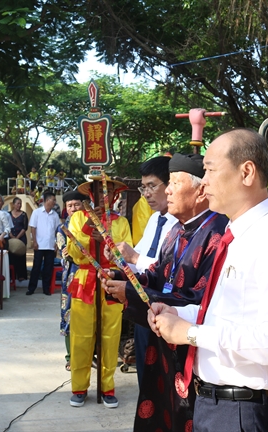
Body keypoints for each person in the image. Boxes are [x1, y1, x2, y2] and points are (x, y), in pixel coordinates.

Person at [146, 128, 268, 432]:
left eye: (209, 169)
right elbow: (227, 316)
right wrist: (179, 315)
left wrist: (192, 333)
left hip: (242, 412)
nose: (203, 181)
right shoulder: (236, 236)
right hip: (214, 404)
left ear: (246, 172)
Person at [103, 153, 228, 431]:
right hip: (164, 346)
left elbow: (199, 299)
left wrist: (133, 294)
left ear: (200, 190)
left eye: (173, 182)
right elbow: (157, 275)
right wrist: (120, 278)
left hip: (192, 354)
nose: (166, 190)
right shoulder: (176, 231)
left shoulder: (218, 234)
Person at [113, 156, 179, 390]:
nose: (147, 193)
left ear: (171, 185)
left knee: (166, 380)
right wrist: (119, 265)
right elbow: (136, 260)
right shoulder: (154, 220)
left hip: (167, 306)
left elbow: (169, 270)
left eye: (152, 186)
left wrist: (133, 258)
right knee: (146, 376)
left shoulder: (181, 224)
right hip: (145, 305)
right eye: (144, 187)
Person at [66, 177, 131, 409]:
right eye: (100, 191)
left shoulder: (120, 221)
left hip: (110, 281)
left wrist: (107, 242)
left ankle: (107, 387)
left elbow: (125, 256)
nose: (105, 196)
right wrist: (86, 233)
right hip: (85, 280)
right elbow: (73, 252)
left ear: (115, 195)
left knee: (110, 335)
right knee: (81, 337)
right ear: (91, 194)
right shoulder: (77, 217)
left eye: (109, 191)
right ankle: (79, 387)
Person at [55, 190, 86, 371]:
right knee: (70, 316)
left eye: (77, 204)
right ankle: (70, 357)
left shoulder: (90, 226)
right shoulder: (62, 229)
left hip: (90, 276)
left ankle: (89, 354)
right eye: (70, 206)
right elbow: (67, 254)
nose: (73, 209)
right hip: (71, 279)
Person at [26, 191, 60, 295]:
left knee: (48, 268)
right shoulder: (37, 212)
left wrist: (57, 243)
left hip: (51, 245)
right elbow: (33, 228)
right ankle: (31, 288)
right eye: (53, 200)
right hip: (39, 245)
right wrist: (34, 241)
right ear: (46, 200)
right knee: (36, 267)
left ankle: (46, 288)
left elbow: (58, 230)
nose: (54, 202)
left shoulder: (55, 215)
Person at [8, 197, 29, 281]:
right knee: (11, 257)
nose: (19, 205)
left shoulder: (24, 214)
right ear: (13, 204)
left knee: (21, 257)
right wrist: (12, 236)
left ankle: (21, 275)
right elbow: (6, 226)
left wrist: (17, 237)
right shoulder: (8, 214)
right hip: (10, 239)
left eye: (20, 203)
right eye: (17, 203)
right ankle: (11, 275)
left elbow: (24, 227)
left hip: (21, 239)